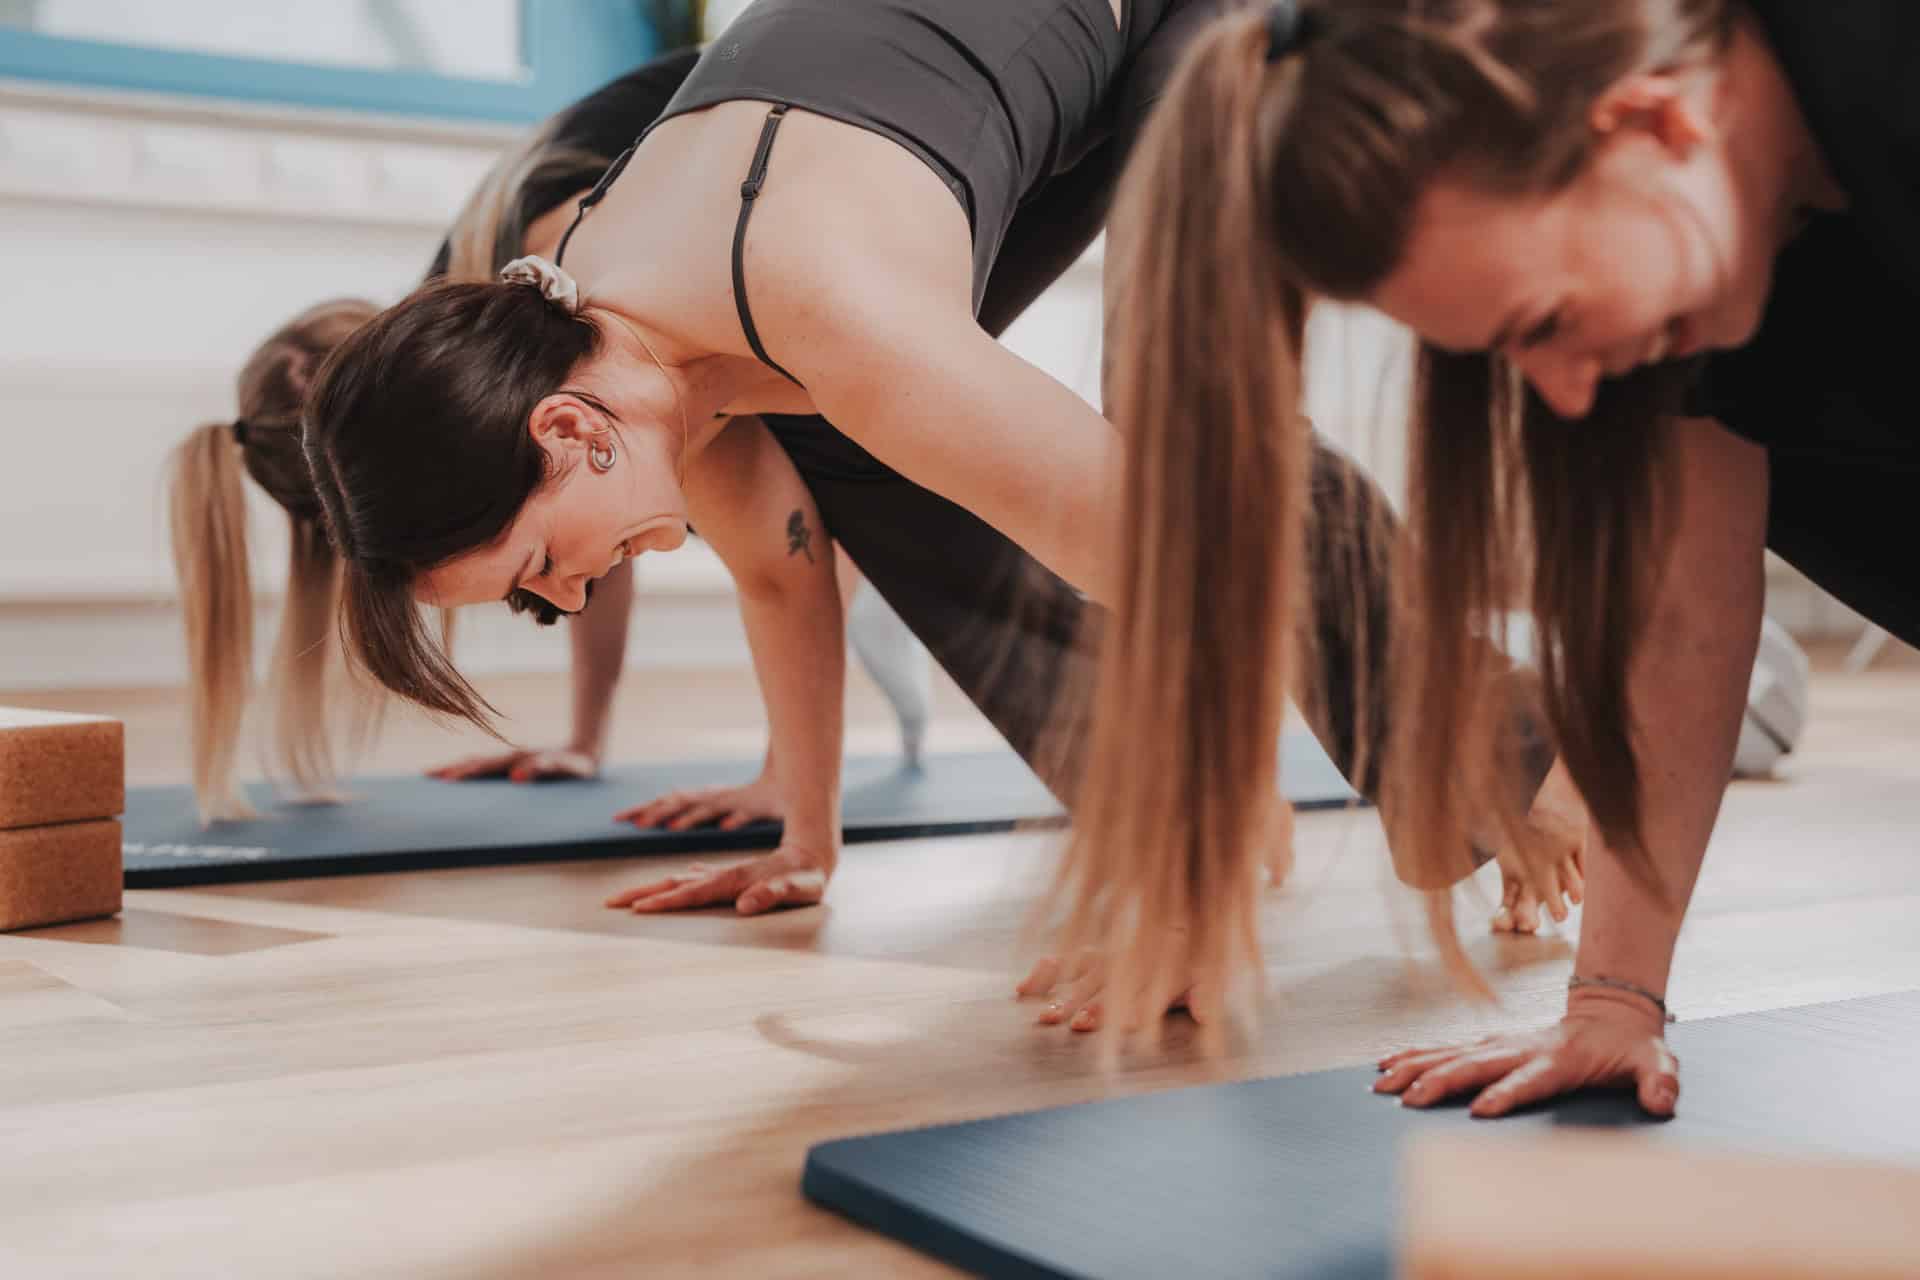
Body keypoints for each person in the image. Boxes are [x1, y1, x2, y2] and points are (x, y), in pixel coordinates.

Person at [301, 1, 1581, 926]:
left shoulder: (832, 320)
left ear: (568, 432)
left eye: (542, 567)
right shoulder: (624, 347)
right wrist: (809, 837)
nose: (574, 597)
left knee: (1182, 432)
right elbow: (777, 574)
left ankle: (1545, 746)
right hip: (972, 83)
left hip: (1177, 20)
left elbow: (1189, 558)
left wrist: (1186, 890)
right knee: (860, 462)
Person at [1050, 0, 1905, 1099]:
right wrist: (1613, 1000)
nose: (1562, 390)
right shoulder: (1703, 268)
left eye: (1542, 321)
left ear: (1650, 124)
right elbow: (1683, 610)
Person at [166, 48, 933, 846]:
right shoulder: (511, 361)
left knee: (764, 487)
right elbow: (589, 543)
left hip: (846, 95)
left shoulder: (553, 288)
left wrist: (793, 783)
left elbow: (771, 547)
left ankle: (876, 597)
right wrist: (586, 737)